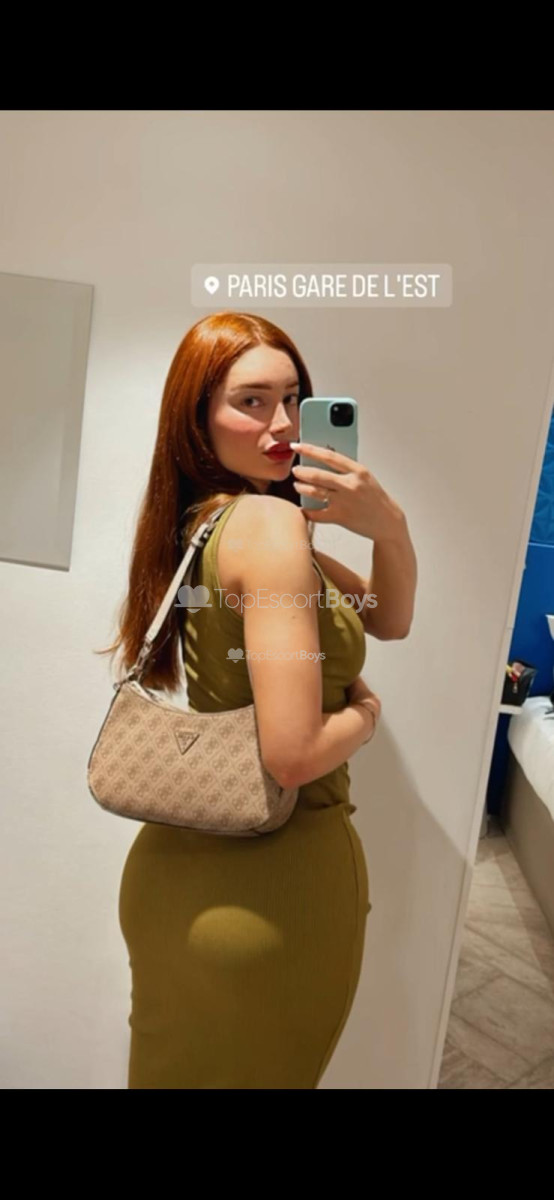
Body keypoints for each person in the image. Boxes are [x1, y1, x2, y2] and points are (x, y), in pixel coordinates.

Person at [103, 310, 412, 1088]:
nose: (281, 424)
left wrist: (389, 528)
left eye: (293, 399)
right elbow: (294, 755)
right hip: (270, 889)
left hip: (174, 882)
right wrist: (366, 717)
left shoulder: (208, 524)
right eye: (251, 401)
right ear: (198, 420)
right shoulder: (268, 527)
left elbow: (387, 616)